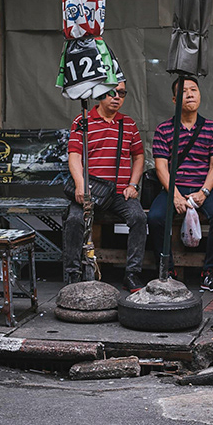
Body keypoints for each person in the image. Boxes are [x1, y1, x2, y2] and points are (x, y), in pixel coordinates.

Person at [63, 80, 146, 292]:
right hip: (90, 191)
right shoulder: (82, 121)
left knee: (138, 218)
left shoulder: (128, 124)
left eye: (122, 93)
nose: (117, 97)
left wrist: (133, 184)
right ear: (100, 93)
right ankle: (72, 275)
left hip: (119, 192)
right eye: (112, 92)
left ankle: (132, 274)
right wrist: (81, 185)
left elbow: (138, 156)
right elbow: (74, 157)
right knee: (73, 220)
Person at [148, 77, 213, 292]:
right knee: (155, 217)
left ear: (200, 95)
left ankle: (211, 272)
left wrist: (204, 192)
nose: (190, 94)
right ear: (175, 99)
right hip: (173, 187)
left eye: (194, 90)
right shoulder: (164, 129)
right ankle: (167, 270)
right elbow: (161, 168)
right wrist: (174, 195)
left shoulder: (212, 128)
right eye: (184, 92)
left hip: (204, 187)